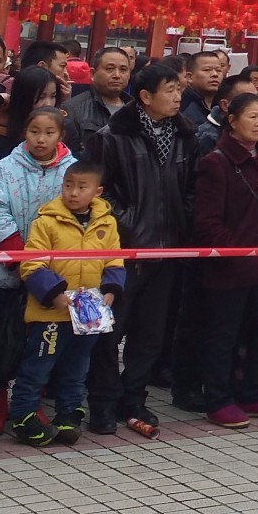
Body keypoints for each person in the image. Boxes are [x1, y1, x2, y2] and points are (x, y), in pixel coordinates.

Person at [86, 61, 200, 438]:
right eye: (170, 90)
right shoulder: (112, 135)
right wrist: (131, 224)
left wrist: (181, 223)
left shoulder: (186, 134)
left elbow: (190, 191)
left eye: (179, 89)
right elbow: (98, 194)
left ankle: (133, 396)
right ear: (146, 96)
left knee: (151, 332)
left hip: (169, 250)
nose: (177, 97)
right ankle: (102, 400)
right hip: (125, 251)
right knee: (109, 332)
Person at [190, 91, 258, 429]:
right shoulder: (217, 161)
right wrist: (236, 254)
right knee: (225, 334)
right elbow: (207, 222)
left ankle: (253, 391)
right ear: (232, 121)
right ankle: (218, 398)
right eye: (251, 116)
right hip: (231, 266)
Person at [0, 105, 74, 435]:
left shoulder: (72, 171)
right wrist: (21, 258)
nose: (41, 139)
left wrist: (43, 271)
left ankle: (27, 404)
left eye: (49, 133)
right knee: (0, 340)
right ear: (24, 133)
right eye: (35, 132)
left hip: (52, 276)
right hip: (7, 272)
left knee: (40, 343)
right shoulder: (5, 167)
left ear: (61, 135)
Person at [12, 161, 125, 447]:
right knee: (38, 366)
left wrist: (110, 291)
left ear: (97, 192)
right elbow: (31, 264)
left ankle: (68, 414)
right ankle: (24, 416)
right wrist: (55, 294)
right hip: (51, 312)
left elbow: (115, 259)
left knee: (78, 367)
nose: (73, 193)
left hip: (89, 315)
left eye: (81, 187)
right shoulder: (46, 220)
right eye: (68, 185)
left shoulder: (107, 221)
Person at [62, 46, 131, 149]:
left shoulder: (137, 109)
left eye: (123, 70)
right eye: (110, 69)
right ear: (93, 73)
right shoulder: (72, 109)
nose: (117, 75)